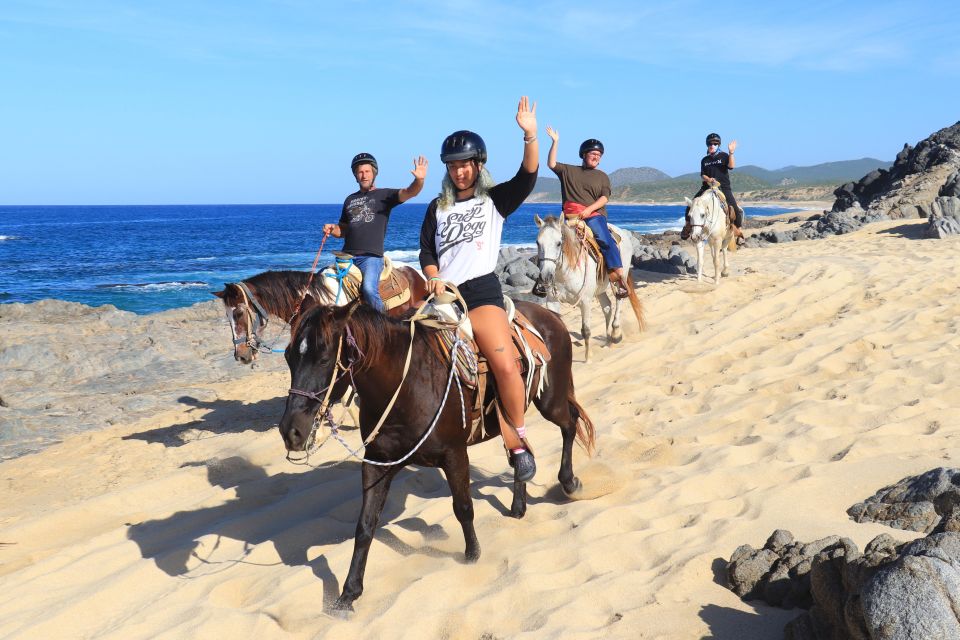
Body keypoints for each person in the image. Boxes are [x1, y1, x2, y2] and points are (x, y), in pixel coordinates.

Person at [419, 96, 539, 482]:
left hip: (482, 293)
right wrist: (433, 274)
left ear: (478, 165)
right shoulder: (437, 207)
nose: (459, 172)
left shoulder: (493, 202)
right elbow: (426, 250)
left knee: (504, 364)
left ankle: (518, 441)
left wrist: (530, 135)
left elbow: (528, 176)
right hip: (444, 295)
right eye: (453, 166)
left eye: (465, 165)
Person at [323, 152, 428, 312]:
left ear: (374, 173)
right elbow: (343, 230)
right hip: (346, 257)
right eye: (360, 172)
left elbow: (409, 192)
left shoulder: (384, 195)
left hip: (370, 258)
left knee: (369, 290)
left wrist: (419, 180)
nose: (364, 175)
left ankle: (381, 326)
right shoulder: (349, 200)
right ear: (355, 176)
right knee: (322, 282)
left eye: (367, 171)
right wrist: (333, 229)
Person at [536, 128, 630, 299]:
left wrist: (589, 209)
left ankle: (618, 278)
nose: (596, 157)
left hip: (593, 215)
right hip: (570, 217)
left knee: (604, 238)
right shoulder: (569, 171)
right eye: (593, 153)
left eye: (599, 155)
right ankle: (543, 279)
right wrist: (555, 142)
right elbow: (551, 163)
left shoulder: (602, 176)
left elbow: (604, 198)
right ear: (584, 154)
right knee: (550, 240)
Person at [680, 132, 743, 240]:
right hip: (707, 187)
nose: (712, 146)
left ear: (718, 145)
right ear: (707, 145)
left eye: (715, 144)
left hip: (723, 187)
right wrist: (708, 179)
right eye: (710, 144)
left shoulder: (724, 156)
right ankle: (688, 226)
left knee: (735, 208)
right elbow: (702, 174)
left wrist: (731, 153)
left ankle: (738, 231)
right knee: (691, 205)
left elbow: (731, 166)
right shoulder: (705, 160)